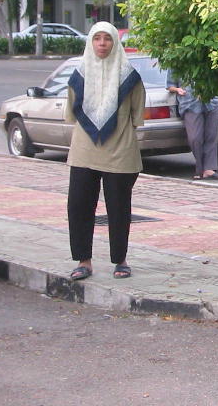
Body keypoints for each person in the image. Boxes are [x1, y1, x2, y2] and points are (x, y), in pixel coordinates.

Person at [65, 22, 146, 281]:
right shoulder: (78, 75)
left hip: (120, 150)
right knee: (78, 206)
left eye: (107, 39)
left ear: (115, 43)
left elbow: (136, 115)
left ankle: (120, 260)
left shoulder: (129, 76)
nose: (102, 44)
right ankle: (83, 261)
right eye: (97, 38)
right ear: (90, 42)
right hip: (83, 150)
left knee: (119, 208)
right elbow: (72, 113)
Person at [165, 74, 218, 180]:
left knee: (211, 135)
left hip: (211, 101)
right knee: (195, 138)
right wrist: (178, 90)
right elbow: (170, 85)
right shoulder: (176, 61)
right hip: (190, 103)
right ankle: (200, 168)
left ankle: (209, 169)